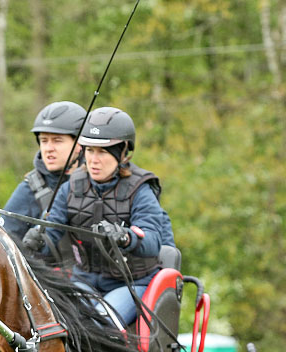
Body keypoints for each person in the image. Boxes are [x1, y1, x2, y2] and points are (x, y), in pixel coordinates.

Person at [22, 106, 175, 327]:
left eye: (102, 152)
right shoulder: (71, 187)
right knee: (58, 322)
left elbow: (152, 241)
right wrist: (38, 241)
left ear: (122, 152)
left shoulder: (141, 189)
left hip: (130, 284)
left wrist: (126, 237)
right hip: (84, 282)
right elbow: (51, 233)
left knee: (99, 325)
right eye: (90, 150)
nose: (94, 160)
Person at [0, 101, 86, 242]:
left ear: (79, 144)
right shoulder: (28, 190)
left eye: (57, 141)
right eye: (44, 141)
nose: (48, 148)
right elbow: (1, 244)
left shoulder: (100, 182)